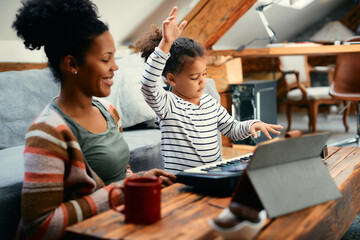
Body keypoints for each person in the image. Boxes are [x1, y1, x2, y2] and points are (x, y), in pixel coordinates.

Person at [12, 0, 175, 239]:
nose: (115, 67)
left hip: (118, 225)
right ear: (72, 64)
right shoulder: (46, 133)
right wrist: (122, 192)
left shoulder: (109, 111)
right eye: (106, 59)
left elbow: (120, 173)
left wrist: (140, 178)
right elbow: (40, 226)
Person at [135, 6, 283, 174]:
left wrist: (252, 124)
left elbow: (232, 128)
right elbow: (148, 84)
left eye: (204, 74)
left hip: (213, 175)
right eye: (194, 77)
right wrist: (166, 43)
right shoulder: (167, 105)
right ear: (171, 79)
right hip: (181, 180)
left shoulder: (210, 103)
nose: (202, 81)